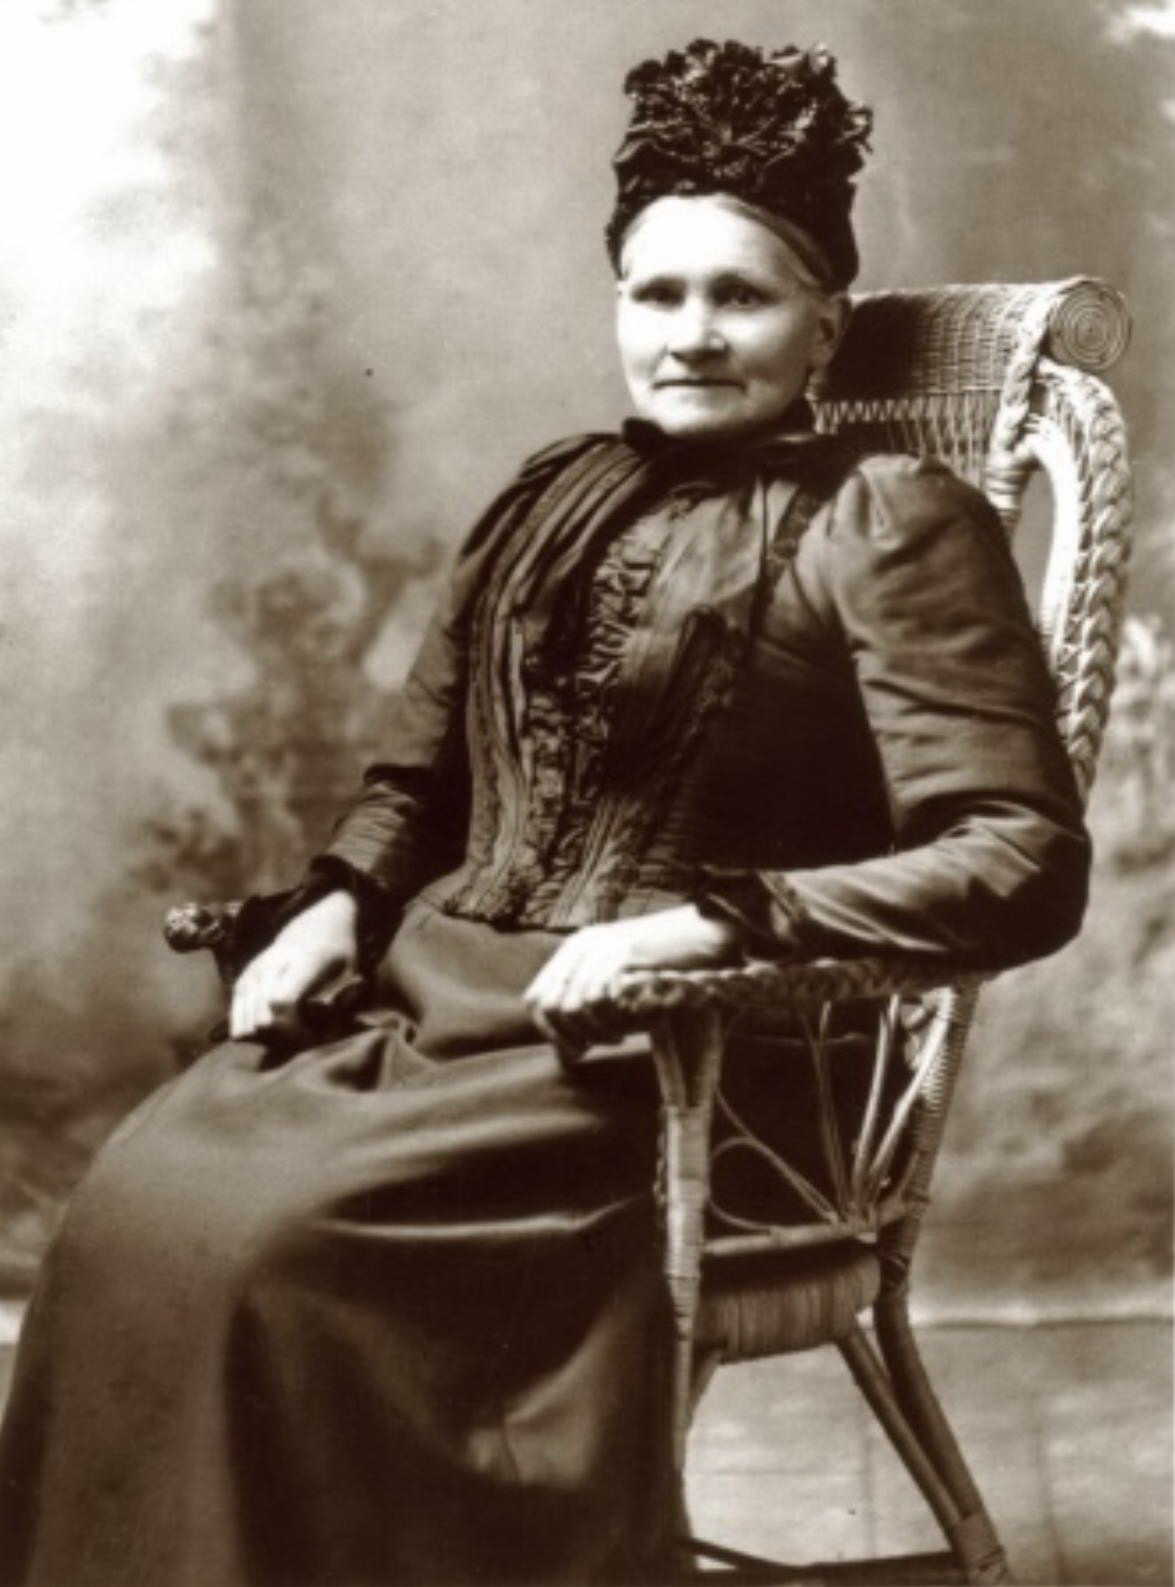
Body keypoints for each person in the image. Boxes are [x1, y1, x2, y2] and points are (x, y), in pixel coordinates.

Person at [0, 37, 1089, 1587]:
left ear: (824, 322)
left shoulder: (890, 522)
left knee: (268, 1254)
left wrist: (720, 917)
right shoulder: (550, 497)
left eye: (743, 296)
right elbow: (416, 782)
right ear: (617, 308)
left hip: (683, 1060)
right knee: (129, 1214)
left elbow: (1018, 858)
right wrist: (335, 904)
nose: (695, 336)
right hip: (436, 1013)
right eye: (659, 295)